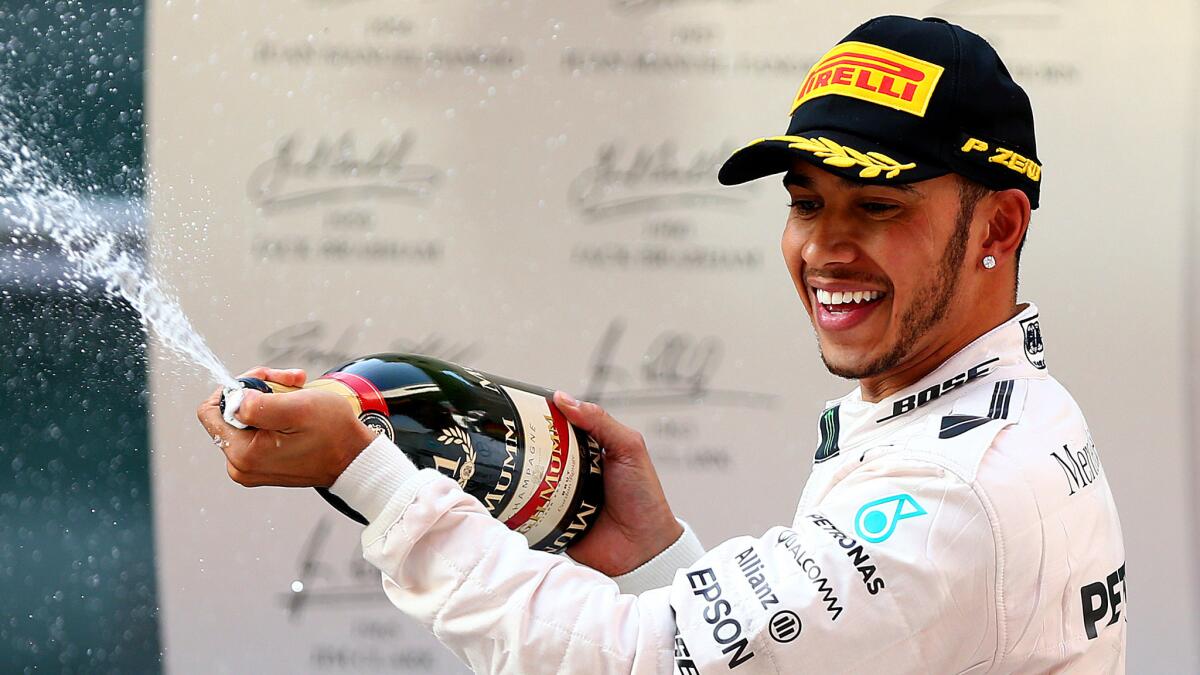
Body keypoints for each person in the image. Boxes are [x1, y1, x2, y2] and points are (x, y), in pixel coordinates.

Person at [198, 15, 1126, 673]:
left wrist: (371, 476)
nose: (823, 248)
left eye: (877, 205)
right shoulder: (974, 418)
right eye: (806, 202)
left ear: (999, 227)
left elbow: (633, 666)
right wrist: (655, 558)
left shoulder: (956, 488)